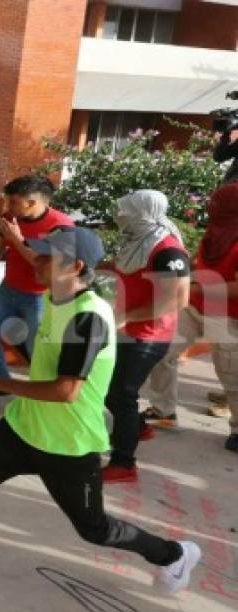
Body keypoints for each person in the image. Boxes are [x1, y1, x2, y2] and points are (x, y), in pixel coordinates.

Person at [0, 227, 201, 592]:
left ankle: (173, 554)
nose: (36, 260)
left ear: (76, 266)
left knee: (94, 528)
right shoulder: (56, 301)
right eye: (37, 253)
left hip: (68, 443)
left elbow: (67, 391)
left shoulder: (88, 318)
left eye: (46, 256)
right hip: (25, 426)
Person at [101, 191, 190, 483]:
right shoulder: (138, 241)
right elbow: (120, 268)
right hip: (129, 330)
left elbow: (175, 301)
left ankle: (124, 464)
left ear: (143, 212)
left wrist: (126, 316)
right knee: (110, 390)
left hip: (149, 336)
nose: (120, 216)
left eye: (125, 211)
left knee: (120, 394)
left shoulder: (168, 250)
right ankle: (137, 427)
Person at [143, 181, 238, 451]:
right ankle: (163, 411)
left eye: (219, 204)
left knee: (232, 375)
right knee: (162, 352)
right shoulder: (217, 233)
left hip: (230, 317)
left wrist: (195, 285)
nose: (212, 207)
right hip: (194, 306)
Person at [0, 175, 74, 401]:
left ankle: (42, 395)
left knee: (37, 349)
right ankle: (0, 381)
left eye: (13, 202)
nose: (8, 207)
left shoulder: (61, 227)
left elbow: (45, 266)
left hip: (40, 297)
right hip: (8, 290)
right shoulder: (10, 218)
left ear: (32, 202)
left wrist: (16, 239)